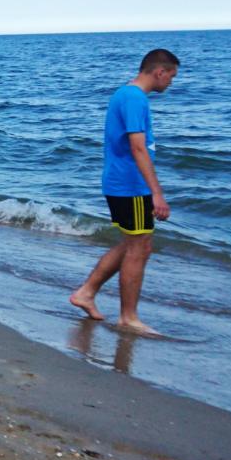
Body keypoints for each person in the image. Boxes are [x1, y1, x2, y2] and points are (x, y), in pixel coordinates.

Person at [70, 49, 180, 336]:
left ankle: (86, 292)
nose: (171, 82)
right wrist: (157, 192)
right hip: (130, 185)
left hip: (125, 183)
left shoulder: (126, 94)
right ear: (159, 72)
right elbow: (137, 147)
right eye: (171, 76)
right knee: (138, 247)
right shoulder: (134, 98)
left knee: (138, 244)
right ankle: (128, 317)